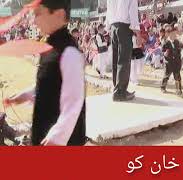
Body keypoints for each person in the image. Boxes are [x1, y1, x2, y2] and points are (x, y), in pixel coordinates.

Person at [3, 0, 86, 146]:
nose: (34, 20)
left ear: (59, 14)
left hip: (60, 141)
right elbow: (50, 86)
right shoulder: (48, 48)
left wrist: (57, 136)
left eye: (38, 14)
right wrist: (24, 95)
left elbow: (74, 101)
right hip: (44, 133)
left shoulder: (69, 52)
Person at [105, 0, 140, 102]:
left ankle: (117, 89)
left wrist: (109, 28)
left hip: (113, 27)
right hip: (124, 27)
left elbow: (108, 13)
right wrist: (138, 33)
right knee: (124, 60)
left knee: (116, 60)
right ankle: (120, 92)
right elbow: (133, 13)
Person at [160, 26, 183, 97]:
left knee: (177, 76)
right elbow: (163, 51)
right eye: (172, 34)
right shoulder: (166, 42)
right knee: (166, 75)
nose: (174, 35)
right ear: (168, 34)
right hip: (168, 62)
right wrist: (165, 54)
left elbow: (179, 52)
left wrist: (180, 61)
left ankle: (178, 90)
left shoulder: (177, 42)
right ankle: (163, 87)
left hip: (176, 62)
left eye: (174, 34)